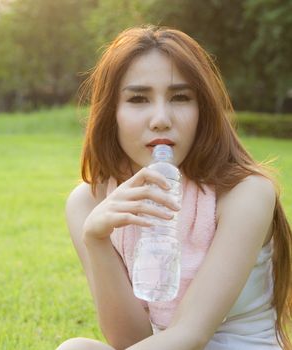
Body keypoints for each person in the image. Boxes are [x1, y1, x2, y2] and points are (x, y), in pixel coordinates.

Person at [58, 25, 292, 350]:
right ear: (112, 112)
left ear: (203, 110)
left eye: (180, 97)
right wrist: (96, 238)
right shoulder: (88, 202)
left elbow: (190, 335)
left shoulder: (246, 193)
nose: (160, 119)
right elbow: (130, 340)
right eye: (138, 99)